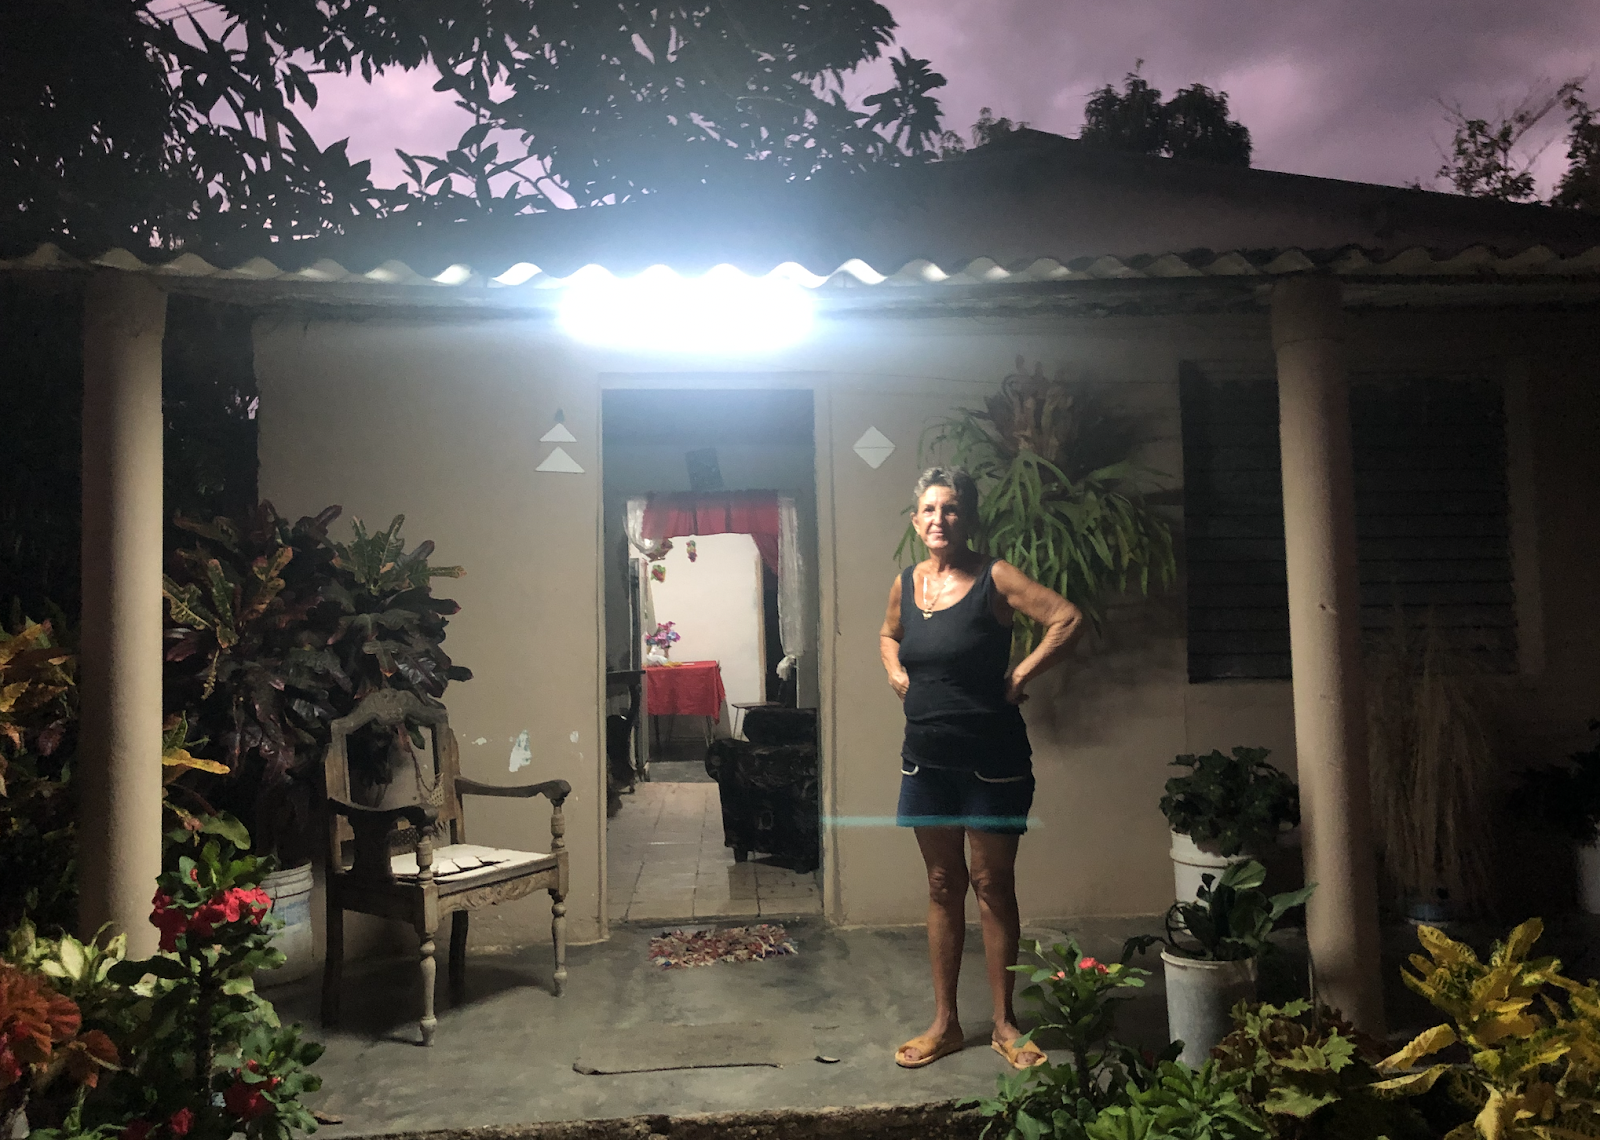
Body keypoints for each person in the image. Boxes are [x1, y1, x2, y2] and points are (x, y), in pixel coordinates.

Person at [880, 465, 1084, 1070]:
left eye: (951, 509)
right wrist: (894, 669)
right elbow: (889, 635)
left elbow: (1067, 618)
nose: (939, 519)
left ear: (966, 518)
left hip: (992, 759)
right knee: (943, 886)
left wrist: (1020, 674)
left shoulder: (994, 577)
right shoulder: (906, 583)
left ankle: (1004, 1024)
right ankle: (945, 1024)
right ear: (916, 522)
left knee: (993, 885)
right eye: (929, 510)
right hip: (926, 760)